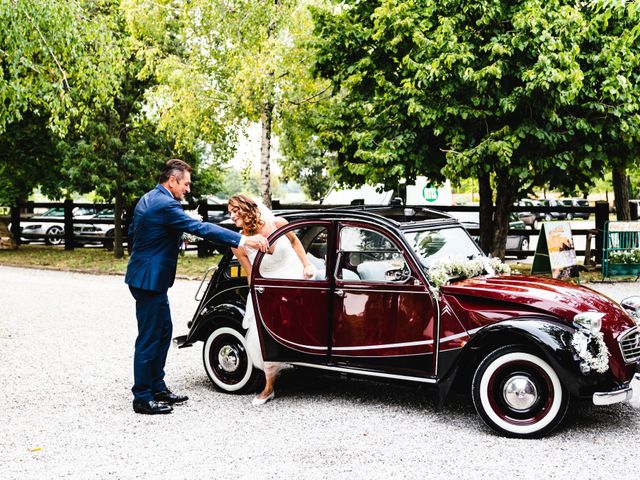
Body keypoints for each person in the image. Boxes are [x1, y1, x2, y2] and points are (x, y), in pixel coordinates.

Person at [125, 160, 269, 415]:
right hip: (149, 280)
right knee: (150, 337)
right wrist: (243, 240)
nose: (188, 189)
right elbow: (199, 228)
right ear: (173, 181)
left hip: (146, 276)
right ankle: (143, 396)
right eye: (186, 183)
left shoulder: (148, 198)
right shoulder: (165, 203)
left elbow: (135, 232)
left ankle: (158, 386)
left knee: (163, 331)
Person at [227, 194, 315, 406]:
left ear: (247, 209)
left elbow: (295, 242)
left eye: (235, 211)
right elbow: (251, 274)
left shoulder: (278, 223)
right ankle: (269, 387)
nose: (231, 216)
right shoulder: (238, 243)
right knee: (262, 335)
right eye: (230, 212)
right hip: (269, 286)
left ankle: (312, 367)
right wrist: (256, 296)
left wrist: (307, 266)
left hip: (294, 277)